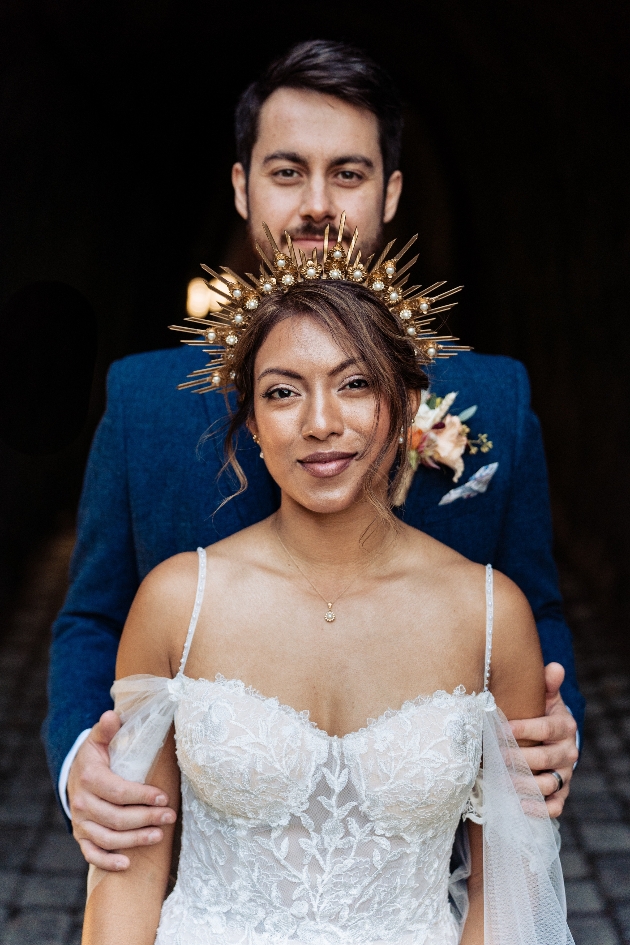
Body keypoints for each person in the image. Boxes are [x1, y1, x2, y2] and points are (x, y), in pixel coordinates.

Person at [44, 40, 581, 874]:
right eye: (288, 172)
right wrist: (85, 753)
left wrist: (555, 717)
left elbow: (534, 606)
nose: (317, 205)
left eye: (349, 174)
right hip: (200, 861)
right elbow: (92, 616)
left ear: (391, 192)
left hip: (422, 862)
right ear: (242, 187)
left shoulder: (496, 399)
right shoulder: (143, 399)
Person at [81, 250, 574, 944]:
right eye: (283, 392)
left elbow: (507, 891)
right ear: (253, 420)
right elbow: (127, 871)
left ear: (405, 405)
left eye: (355, 384)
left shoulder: (491, 615)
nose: (320, 421)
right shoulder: (175, 603)